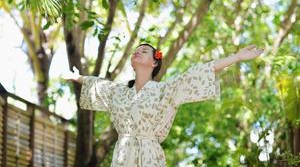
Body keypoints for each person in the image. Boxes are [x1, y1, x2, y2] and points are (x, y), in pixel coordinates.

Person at [63, 43, 263, 167]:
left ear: (154, 63)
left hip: (150, 156)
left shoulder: (165, 90)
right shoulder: (119, 92)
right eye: (136, 51)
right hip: (123, 156)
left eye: (144, 51)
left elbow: (198, 72)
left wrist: (237, 57)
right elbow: (98, 84)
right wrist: (77, 77)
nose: (138, 53)